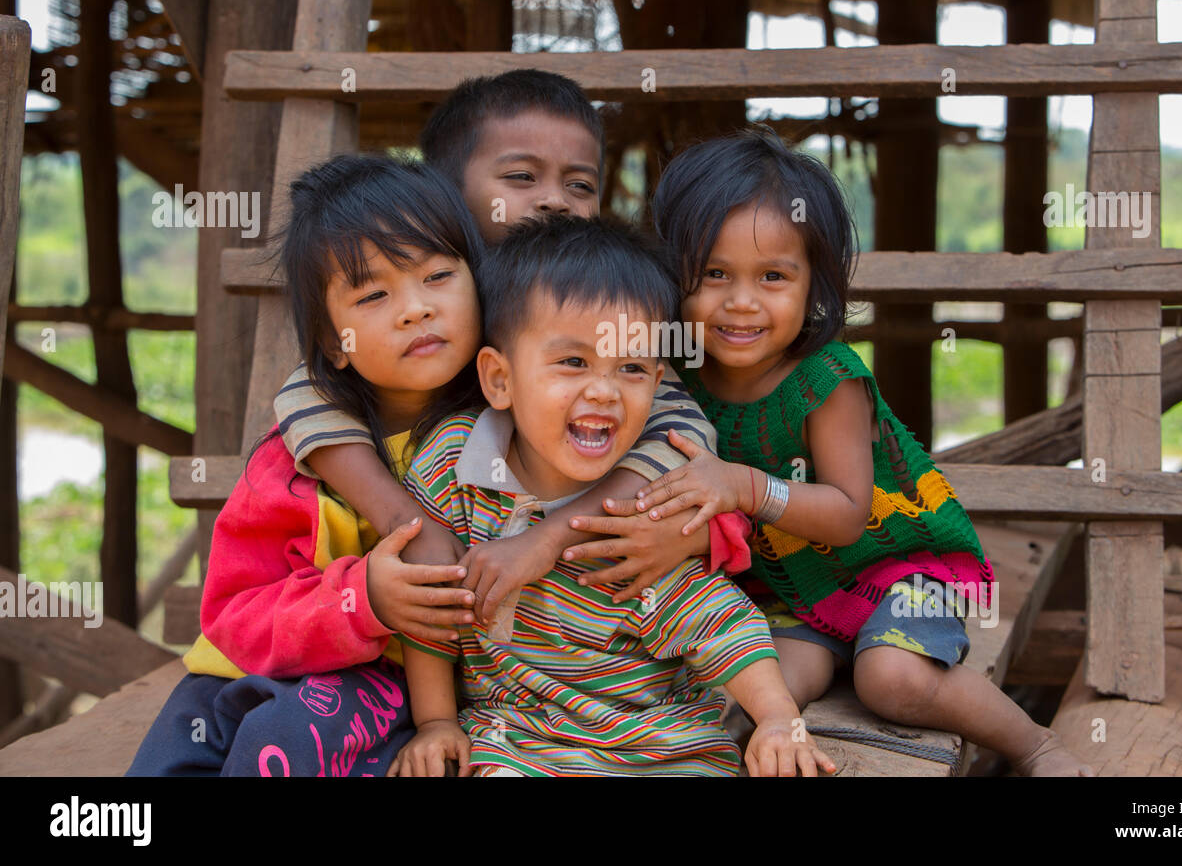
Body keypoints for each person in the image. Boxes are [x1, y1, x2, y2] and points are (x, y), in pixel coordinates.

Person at [638, 126, 1094, 776]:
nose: (740, 302)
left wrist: (743, 485)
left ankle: (1035, 745)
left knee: (892, 680)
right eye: (713, 274)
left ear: (813, 283)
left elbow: (849, 511)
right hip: (791, 592)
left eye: (772, 275)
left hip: (895, 572)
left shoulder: (827, 379)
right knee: (761, 687)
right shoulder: (679, 377)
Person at [271, 69, 725, 646]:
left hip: (573, 647)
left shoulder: (586, 326)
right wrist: (411, 523)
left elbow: (680, 431)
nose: (555, 199)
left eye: (581, 186)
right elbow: (306, 392)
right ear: (444, 195)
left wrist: (564, 533)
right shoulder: (429, 323)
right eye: (520, 176)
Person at [389, 213, 835, 776]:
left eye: (630, 368)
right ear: (499, 379)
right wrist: (436, 722)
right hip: (514, 738)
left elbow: (716, 619)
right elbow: (432, 606)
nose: (603, 391)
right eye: (573, 362)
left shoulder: (644, 503)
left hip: (658, 739)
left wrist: (776, 719)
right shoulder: (453, 467)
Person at [127, 155, 484, 775]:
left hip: (387, 689)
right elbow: (233, 613)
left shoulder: (508, 436)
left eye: (438, 275)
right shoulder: (292, 465)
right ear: (330, 344)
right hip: (235, 679)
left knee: (288, 736)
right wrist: (362, 598)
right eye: (373, 294)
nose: (414, 309)